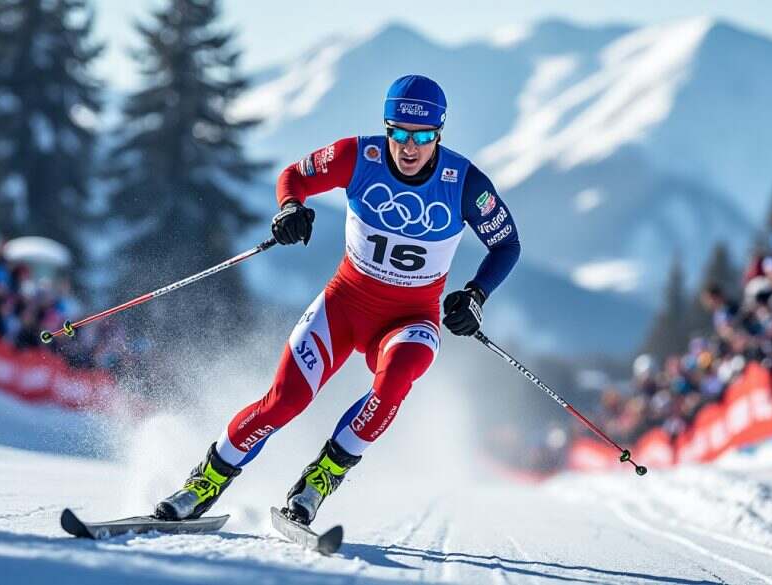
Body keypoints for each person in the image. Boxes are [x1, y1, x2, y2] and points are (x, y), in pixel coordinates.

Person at [155, 75, 522, 525]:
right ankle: (204, 482)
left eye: (423, 136)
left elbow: (507, 245)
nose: (409, 147)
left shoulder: (464, 182)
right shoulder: (358, 156)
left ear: (439, 134)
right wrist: (290, 207)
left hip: (411, 320)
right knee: (284, 401)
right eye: (399, 133)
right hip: (343, 306)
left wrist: (476, 295)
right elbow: (294, 176)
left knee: (394, 383)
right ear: (386, 129)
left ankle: (320, 479)